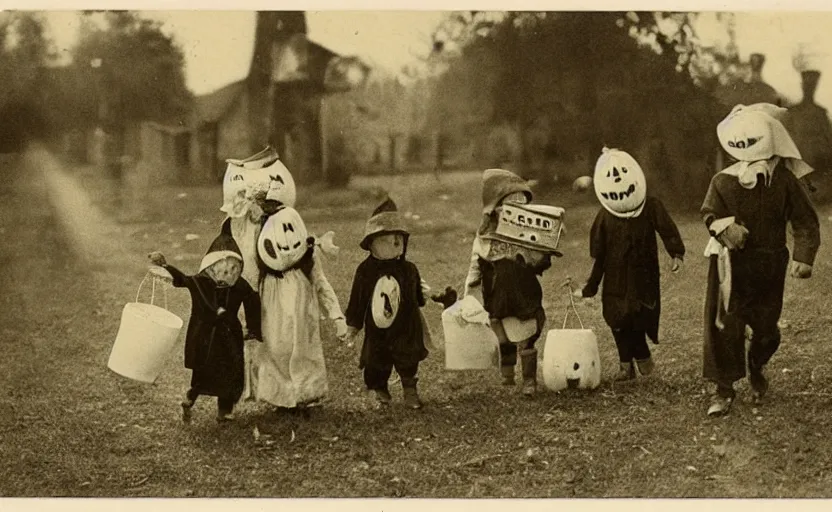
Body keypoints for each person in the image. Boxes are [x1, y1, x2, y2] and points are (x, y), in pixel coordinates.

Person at [702, 102, 820, 416]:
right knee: (729, 325)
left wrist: (804, 257)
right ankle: (724, 390)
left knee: (767, 330)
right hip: (733, 266)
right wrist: (726, 228)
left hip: (771, 265)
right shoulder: (723, 181)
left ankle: (757, 364)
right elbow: (710, 214)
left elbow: (805, 221)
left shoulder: (783, 180)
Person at [574, 147, 685, 381]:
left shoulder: (651, 206)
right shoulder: (605, 217)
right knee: (617, 318)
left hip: (644, 274)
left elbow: (667, 229)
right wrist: (590, 286)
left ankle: (642, 353)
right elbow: (600, 257)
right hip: (615, 278)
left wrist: (676, 253)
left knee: (638, 315)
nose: (617, 179)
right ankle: (626, 365)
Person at [148, 219, 261, 423]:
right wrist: (165, 265)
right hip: (211, 336)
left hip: (222, 336)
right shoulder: (204, 282)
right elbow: (181, 279)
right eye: (221, 268)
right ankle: (200, 401)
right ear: (211, 265)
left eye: (231, 269)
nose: (226, 274)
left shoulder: (234, 285)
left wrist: (253, 328)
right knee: (211, 371)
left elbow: (252, 301)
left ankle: (211, 405)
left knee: (226, 371)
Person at [463, 168, 554, 396]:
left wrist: (541, 251)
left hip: (523, 291)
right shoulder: (485, 236)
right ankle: (507, 371)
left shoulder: (528, 231)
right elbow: (476, 263)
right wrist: (470, 291)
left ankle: (529, 381)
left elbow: (540, 260)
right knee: (500, 330)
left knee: (526, 332)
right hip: (496, 291)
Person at [344, 198, 442, 409]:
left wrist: (428, 298)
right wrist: (353, 326)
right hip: (376, 325)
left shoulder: (409, 269)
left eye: (399, 239)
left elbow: (418, 294)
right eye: (388, 239)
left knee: (407, 356)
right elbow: (357, 300)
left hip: (405, 324)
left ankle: (410, 389)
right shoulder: (365, 270)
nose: (395, 243)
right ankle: (380, 390)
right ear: (372, 242)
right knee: (375, 358)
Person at [252, 201, 346, 411]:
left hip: (303, 313)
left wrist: (337, 316)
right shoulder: (264, 267)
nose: (286, 241)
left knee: (304, 351)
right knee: (277, 350)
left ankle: (305, 394)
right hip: (273, 314)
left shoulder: (308, 257)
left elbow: (321, 283)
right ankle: (282, 398)